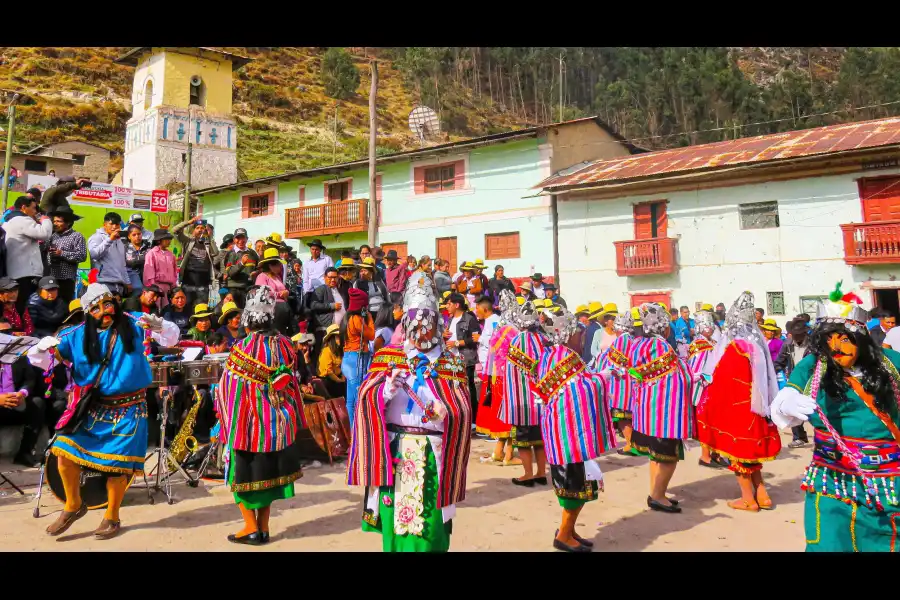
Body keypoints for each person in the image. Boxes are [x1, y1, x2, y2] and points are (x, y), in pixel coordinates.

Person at [27, 279, 178, 539]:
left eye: (109, 304)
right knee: (63, 453)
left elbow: (173, 335)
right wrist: (40, 348)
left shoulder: (133, 322)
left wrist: (160, 325)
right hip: (93, 409)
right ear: (88, 313)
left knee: (117, 468)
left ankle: (112, 516)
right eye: (97, 308)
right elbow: (39, 361)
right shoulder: (73, 336)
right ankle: (73, 504)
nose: (106, 311)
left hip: (130, 408)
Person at [348, 270, 472, 553]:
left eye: (427, 325)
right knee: (395, 525)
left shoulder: (450, 361)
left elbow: (463, 409)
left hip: (432, 452)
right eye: (416, 325)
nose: (422, 333)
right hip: (396, 451)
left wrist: (446, 411)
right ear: (406, 322)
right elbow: (366, 399)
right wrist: (387, 390)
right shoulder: (388, 357)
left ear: (437, 324)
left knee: (429, 528)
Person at [769, 287, 900, 551]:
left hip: (889, 481)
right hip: (832, 480)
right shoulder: (815, 366)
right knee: (828, 543)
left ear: (861, 338)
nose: (836, 347)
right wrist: (788, 404)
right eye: (829, 339)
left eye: (845, 338)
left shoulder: (892, 363)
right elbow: (783, 399)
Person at [215, 285, 305, 545]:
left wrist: (224, 417)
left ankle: (250, 527)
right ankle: (263, 528)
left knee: (242, 477)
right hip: (277, 426)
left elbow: (228, 389)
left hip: (249, 428)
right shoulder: (286, 346)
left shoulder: (241, 349)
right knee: (268, 481)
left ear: (246, 321)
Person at [530, 301, 616, 552]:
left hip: (562, 429)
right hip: (567, 433)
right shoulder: (565, 356)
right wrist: (604, 378)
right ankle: (564, 535)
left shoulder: (552, 355)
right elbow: (580, 389)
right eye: (578, 333)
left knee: (575, 484)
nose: (582, 337)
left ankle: (570, 530)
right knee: (574, 487)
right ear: (566, 334)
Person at [697, 292, 781, 512]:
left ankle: (747, 499)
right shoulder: (758, 348)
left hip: (740, 412)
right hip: (759, 412)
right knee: (753, 458)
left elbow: (724, 383)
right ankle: (762, 495)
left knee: (740, 457)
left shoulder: (736, 350)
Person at [629, 302, 693, 513]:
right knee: (667, 456)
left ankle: (656, 492)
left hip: (646, 410)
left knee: (654, 455)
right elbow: (676, 377)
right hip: (664, 413)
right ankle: (657, 496)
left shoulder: (638, 343)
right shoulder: (662, 346)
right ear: (663, 327)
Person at [495, 292, 548, 487]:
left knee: (524, 441)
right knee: (539, 440)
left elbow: (511, 372)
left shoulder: (516, 341)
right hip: (540, 400)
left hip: (522, 402)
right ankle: (541, 472)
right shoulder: (543, 341)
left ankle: (528, 474)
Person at [474, 295, 517, 462]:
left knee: (504, 413)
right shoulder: (509, 329)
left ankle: (502, 452)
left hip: (494, 374)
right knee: (509, 415)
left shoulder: (497, 323)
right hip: (503, 376)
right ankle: (506, 454)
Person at [685, 310, 729, 469]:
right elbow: (695, 371)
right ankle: (705, 456)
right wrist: (707, 378)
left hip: (715, 389)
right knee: (707, 423)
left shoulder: (713, 343)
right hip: (704, 390)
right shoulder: (698, 345)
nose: (709, 328)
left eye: (710, 325)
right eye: (706, 326)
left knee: (717, 423)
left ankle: (716, 454)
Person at [593, 308, 640, 456]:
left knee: (622, 416)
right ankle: (633, 443)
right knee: (630, 416)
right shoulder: (634, 339)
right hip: (631, 381)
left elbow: (610, 361)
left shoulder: (621, 340)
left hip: (621, 383)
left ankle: (630, 444)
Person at [0, 317, 44, 467]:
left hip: (16, 402)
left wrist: (22, 393)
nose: (7, 336)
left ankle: (25, 452)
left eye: (9, 332)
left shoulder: (17, 356)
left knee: (38, 404)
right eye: (2, 332)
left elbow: (30, 379)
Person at [3, 194, 52, 315]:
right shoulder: (23, 220)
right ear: (24, 207)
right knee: (22, 305)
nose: (36, 212)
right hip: (24, 273)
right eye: (34, 208)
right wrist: (45, 219)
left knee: (16, 306)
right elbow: (44, 233)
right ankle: (20, 330)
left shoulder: (8, 221)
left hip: (14, 271)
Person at [773, 318, 813, 448]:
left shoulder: (814, 344)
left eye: (800, 334)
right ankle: (799, 437)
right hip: (794, 379)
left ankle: (823, 436)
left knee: (814, 409)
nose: (797, 337)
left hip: (812, 379)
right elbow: (780, 361)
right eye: (795, 334)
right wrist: (770, 374)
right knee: (792, 408)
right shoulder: (788, 344)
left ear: (805, 333)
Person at [340, 288, 373, 428]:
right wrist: (370, 318)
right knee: (358, 399)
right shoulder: (356, 319)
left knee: (350, 401)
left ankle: (353, 432)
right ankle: (356, 434)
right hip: (356, 359)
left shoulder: (346, 318)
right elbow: (371, 335)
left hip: (348, 359)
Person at [444, 292, 479, 426]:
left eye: (449, 304)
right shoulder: (451, 319)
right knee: (453, 388)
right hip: (451, 359)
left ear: (457, 305)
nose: (447, 306)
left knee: (468, 388)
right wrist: (444, 335)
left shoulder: (469, 318)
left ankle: (473, 420)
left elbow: (475, 339)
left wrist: (457, 343)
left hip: (465, 358)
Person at [172, 215, 219, 307]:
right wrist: (189, 222)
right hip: (188, 279)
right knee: (187, 306)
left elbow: (216, 253)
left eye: (202, 228)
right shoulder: (188, 241)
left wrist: (209, 237)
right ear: (193, 230)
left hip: (203, 281)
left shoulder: (208, 243)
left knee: (201, 308)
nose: (200, 230)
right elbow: (174, 230)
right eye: (197, 228)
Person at [46, 206, 86, 304]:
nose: (55, 224)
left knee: (64, 306)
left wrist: (62, 253)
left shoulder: (77, 236)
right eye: (54, 221)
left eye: (59, 221)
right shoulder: (51, 236)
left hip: (66, 280)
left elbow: (82, 256)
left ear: (68, 223)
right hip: (51, 277)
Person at [88, 213, 130, 297]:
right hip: (103, 282)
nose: (114, 227)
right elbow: (94, 254)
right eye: (111, 224)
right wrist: (110, 239)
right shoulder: (96, 237)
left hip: (119, 284)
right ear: (104, 225)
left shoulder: (119, 241)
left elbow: (122, 264)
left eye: (117, 224)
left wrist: (127, 282)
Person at [224, 228, 259, 308]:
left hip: (248, 288)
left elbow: (258, 268)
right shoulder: (231, 253)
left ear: (247, 239)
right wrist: (242, 263)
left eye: (243, 237)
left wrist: (256, 272)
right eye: (238, 238)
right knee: (235, 315)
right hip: (234, 289)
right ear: (234, 239)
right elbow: (230, 273)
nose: (240, 240)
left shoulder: (252, 253)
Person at [143, 229, 177, 310]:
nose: (169, 241)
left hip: (168, 288)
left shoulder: (171, 255)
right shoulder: (151, 253)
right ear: (159, 240)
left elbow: (174, 272)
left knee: (167, 309)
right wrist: (153, 289)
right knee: (156, 309)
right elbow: (149, 272)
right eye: (166, 239)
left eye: (170, 239)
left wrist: (173, 286)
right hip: (156, 287)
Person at [317, 323, 345, 398]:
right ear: (332, 338)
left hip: (337, 378)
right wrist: (340, 380)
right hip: (328, 381)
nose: (340, 339)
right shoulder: (326, 351)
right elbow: (329, 372)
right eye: (338, 337)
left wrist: (342, 377)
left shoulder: (339, 350)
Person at [123, 225, 149, 294]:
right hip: (131, 282)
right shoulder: (124, 249)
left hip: (148, 280)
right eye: (134, 235)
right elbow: (122, 266)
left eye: (139, 234)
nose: (137, 236)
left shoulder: (148, 247)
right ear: (129, 236)